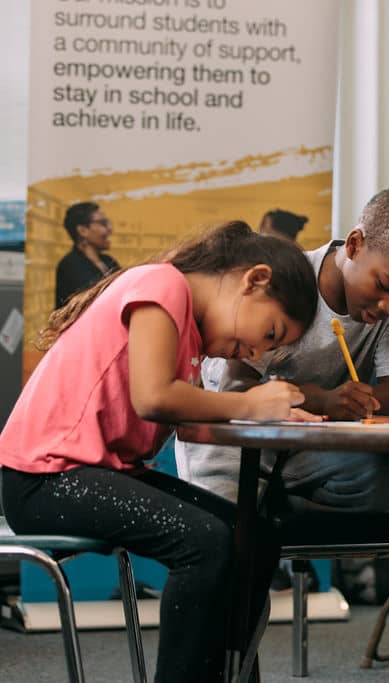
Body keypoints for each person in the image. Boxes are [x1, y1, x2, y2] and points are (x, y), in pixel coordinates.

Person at [0, 222, 320, 682]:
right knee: (205, 542)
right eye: (269, 333)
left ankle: (231, 675)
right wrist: (249, 403)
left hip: (90, 474)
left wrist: (278, 410)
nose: (255, 352)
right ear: (255, 279)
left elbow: (186, 417)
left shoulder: (188, 329)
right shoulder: (163, 284)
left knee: (254, 532)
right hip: (46, 479)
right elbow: (152, 397)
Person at [176, 187, 389, 513]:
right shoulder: (288, 282)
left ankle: (273, 518)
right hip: (236, 438)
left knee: (386, 480)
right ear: (354, 245)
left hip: (312, 447)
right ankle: (265, 525)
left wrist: (353, 405)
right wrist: (323, 401)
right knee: (226, 536)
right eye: (384, 286)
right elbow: (236, 388)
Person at [55, 201, 121, 309]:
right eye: (103, 223)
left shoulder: (109, 261)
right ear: (83, 230)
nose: (110, 229)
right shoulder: (70, 265)